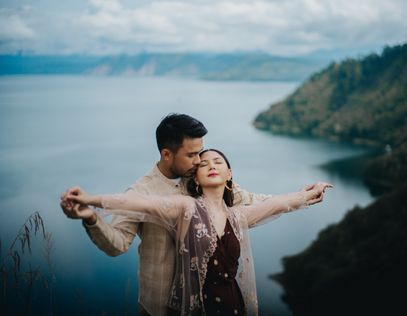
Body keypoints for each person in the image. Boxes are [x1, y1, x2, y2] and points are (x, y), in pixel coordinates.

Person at [63, 149, 333, 315]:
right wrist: (90, 201)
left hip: (232, 306)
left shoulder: (238, 215)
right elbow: (139, 203)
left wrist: (312, 191)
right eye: (204, 164)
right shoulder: (185, 208)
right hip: (195, 309)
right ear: (195, 177)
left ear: (229, 174)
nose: (211, 165)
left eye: (218, 162)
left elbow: (279, 203)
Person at [60, 113, 273, 316]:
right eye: (191, 155)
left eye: (200, 152)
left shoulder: (199, 178)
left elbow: (248, 199)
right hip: (159, 308)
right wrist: (91, 218)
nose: (199, 161)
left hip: (206, 305)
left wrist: (301, 197)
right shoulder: (142, 192)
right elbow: (117, 244)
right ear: (167, 154)